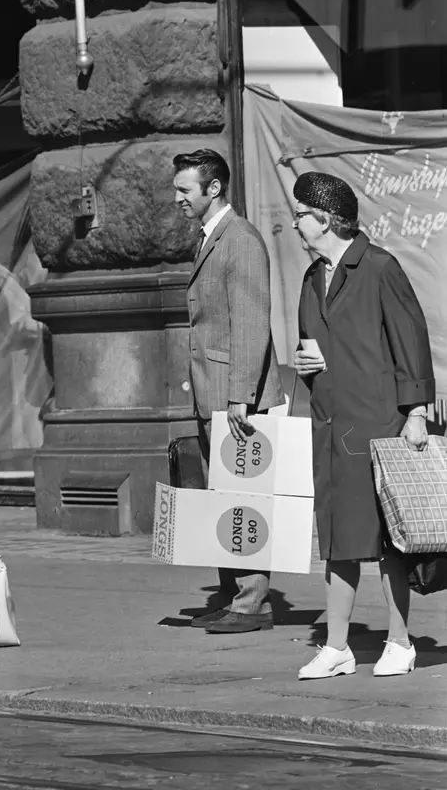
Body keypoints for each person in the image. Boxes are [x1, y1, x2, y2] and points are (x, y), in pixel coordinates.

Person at [290, 172, 435, 680]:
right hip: (332, 424)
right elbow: (311, 343)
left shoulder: (378, 267)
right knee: (337, 539)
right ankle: (336, 647)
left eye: (301, 215)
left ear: (326, 219)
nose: (296, 224)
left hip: (380, 424)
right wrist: (304, 365)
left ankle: (400, 641)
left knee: (389, 540)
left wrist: (416, 413)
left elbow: (410, 341)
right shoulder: (312, 278)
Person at [173, 148, 284, 634]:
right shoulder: (210, 239)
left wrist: (241, 395)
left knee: (243, 499)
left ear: (213, 188)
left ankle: (254, 602)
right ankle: (232, 594)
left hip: (235, 397)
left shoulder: (240, 240)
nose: (176, 198)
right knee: (221, 498)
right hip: (210, 389)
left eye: (184, 189)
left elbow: (251, 324)